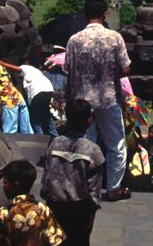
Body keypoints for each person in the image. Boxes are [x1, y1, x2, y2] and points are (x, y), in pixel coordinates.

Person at [65, 0, 132, 200]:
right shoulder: (115, 38)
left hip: (82, 101)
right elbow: (126, 69)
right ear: (105, 14)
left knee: (85, 144)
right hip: (108, 99)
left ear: (85, 14)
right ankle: (112, 188)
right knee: (116, 145)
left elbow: (69, 69)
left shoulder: (74, 40)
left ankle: (83, 186)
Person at [39, 97, 104, 246]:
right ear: (89, 121)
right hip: (79, 212)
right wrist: (89, 218)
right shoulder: (94, 151)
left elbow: (46, 178)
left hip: (54, 207)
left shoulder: (55, 143)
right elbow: (94, 193)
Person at [0, 158, 66, 245]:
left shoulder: (2, 214)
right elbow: (57, 240)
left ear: (15, 185)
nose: (3, 186)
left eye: (5, 183)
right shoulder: (43, 209)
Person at [0, 55, 57, 136]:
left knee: (35, 119)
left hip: (38, 91)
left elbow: (18, 69)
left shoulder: (25, 67)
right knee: (46, 115)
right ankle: (54, 135)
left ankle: (40, 138)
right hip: (48, 89)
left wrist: (3, 64)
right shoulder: (35, 71)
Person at [0, 60, 33, 135]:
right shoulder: (4, 71)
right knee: (26, 129)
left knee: (9, 131)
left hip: (9, 100)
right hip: (18, 97)